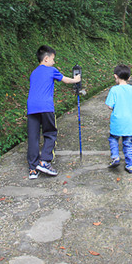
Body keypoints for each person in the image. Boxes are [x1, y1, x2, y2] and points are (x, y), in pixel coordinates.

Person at [27, 45, 81, 180]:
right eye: (53, 59)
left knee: (33, 137)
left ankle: (33, 169)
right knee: (50, 133)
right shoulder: (51, 70)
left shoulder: (34, 72)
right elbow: (65, 80)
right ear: (46, 59)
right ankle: (44, 161)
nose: (54, 62)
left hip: (32, 108)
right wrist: (76, 80)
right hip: (46, 107)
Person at [105, 64, 132, 174]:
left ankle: (115, 157)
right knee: (128, 144)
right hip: (130, 122)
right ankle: (130, 165)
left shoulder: (114, 90)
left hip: (117, 121)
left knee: (113, 139)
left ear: (115, 76)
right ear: (129, 77)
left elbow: (109, 106)